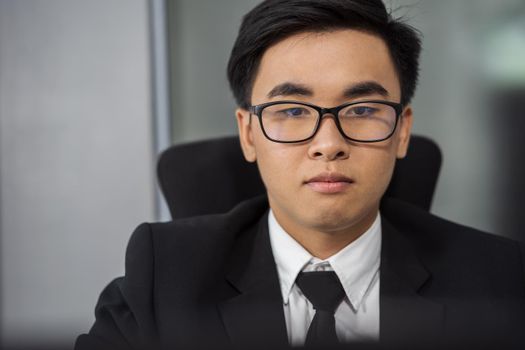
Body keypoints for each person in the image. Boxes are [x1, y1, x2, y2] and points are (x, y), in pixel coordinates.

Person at [76, 0, 525, 349]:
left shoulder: (501, 282)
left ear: (402, 131)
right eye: (291, 110)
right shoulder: (161, 280)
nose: (328, 143)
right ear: (248, 134)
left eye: (364, 109)